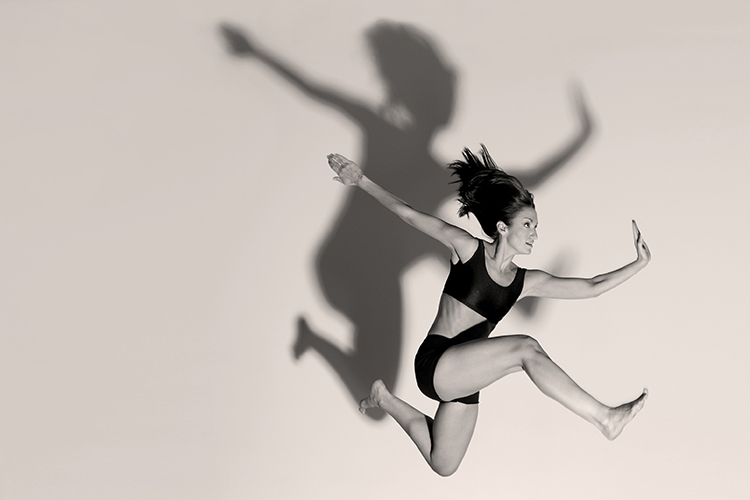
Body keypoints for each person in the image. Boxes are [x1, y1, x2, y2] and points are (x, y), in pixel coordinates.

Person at [326, 147, 651, 477]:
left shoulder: (524, 281)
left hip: (466, 374)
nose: (535, 234)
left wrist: (638, 264)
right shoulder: (467, 250)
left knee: (444, 462)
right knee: (525, 348)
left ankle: (384, 399)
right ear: (503, 226)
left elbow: (592, 286)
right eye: (528, 224)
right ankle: (604, 417)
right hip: (436, 364)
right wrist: (362, 181)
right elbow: (410, 214)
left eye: (536, 226)